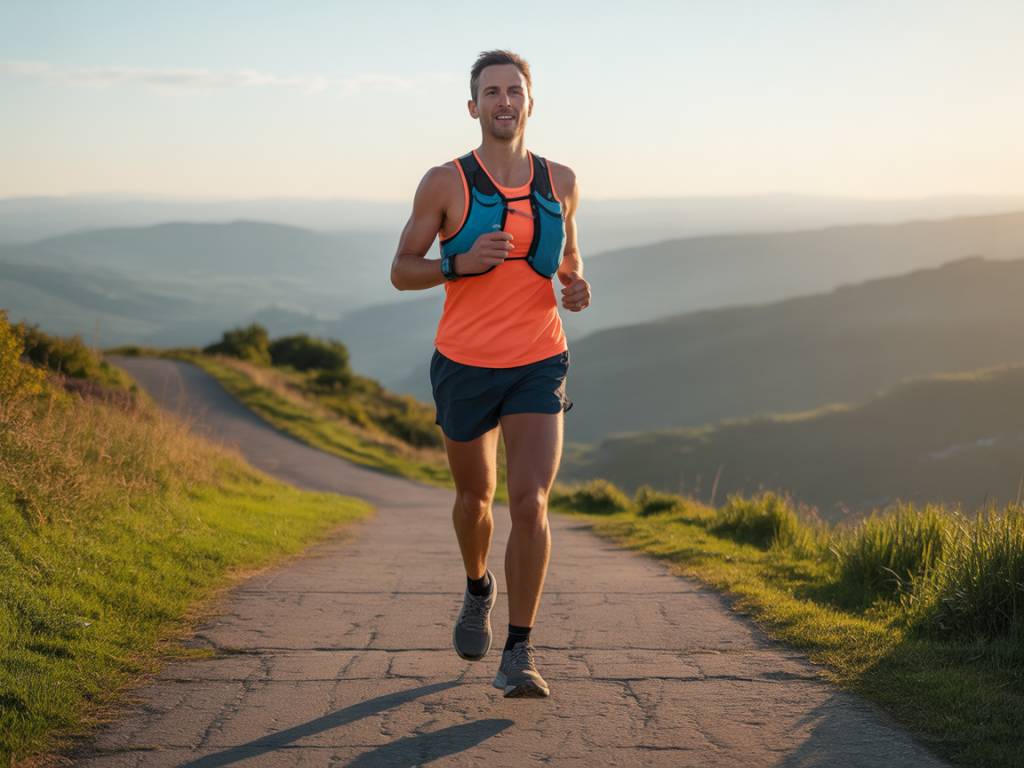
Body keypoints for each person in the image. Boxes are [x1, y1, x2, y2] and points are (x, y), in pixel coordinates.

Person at [390, 49, 591, 698]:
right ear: (474, 106)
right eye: (491, 92)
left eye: (515, 90)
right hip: (465, 364)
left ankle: (520, 651)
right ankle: (479, 586)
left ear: (531, 103)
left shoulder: (561, 179)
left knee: (530, 503)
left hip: (539, 360)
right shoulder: (444, 182)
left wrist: (574, 283)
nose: (504, 101)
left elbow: (568, 257)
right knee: (475, 500)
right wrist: (458, 263)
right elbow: (402, 269)